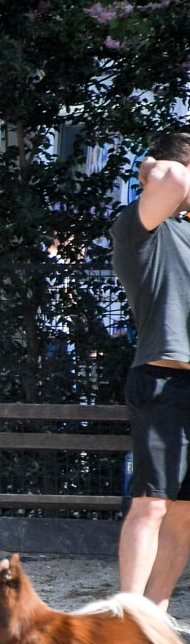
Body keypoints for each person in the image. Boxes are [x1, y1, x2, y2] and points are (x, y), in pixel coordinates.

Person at [111, 133, 190, 606]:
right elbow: (174, 177)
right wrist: (149, 165)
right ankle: (127, 614)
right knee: (152, 503)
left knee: (184, 513)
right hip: (162, 380)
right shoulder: (139, 230)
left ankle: (153, 616)